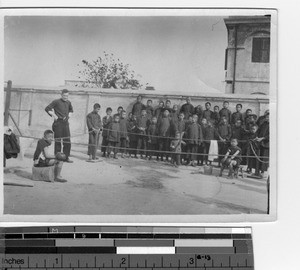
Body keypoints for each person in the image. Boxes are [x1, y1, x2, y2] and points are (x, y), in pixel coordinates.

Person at [45, 89, 73, 163]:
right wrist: (54, 115)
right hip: (58, 124)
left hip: (66, 124)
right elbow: (47, 108)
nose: (65, 97)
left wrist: (68, 116)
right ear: (61, 95)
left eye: (67, 96)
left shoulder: (68, 102)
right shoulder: (56, 101)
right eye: (64, 95)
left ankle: (66, 157)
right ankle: (58, 158)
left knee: (67, 141)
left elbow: (71, 110)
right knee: (58, 141)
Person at [256, 112, 270, 178]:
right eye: (266, 117)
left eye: (268, 117)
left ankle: (263, 172)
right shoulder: (263, 124)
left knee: (264, 159)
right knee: (259, 157)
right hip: (260, 143)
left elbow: (270, 135)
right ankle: (257, 172)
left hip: (266, 144)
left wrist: (263, 138)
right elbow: (258, 131)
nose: (267, 118)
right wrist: (257, 137)